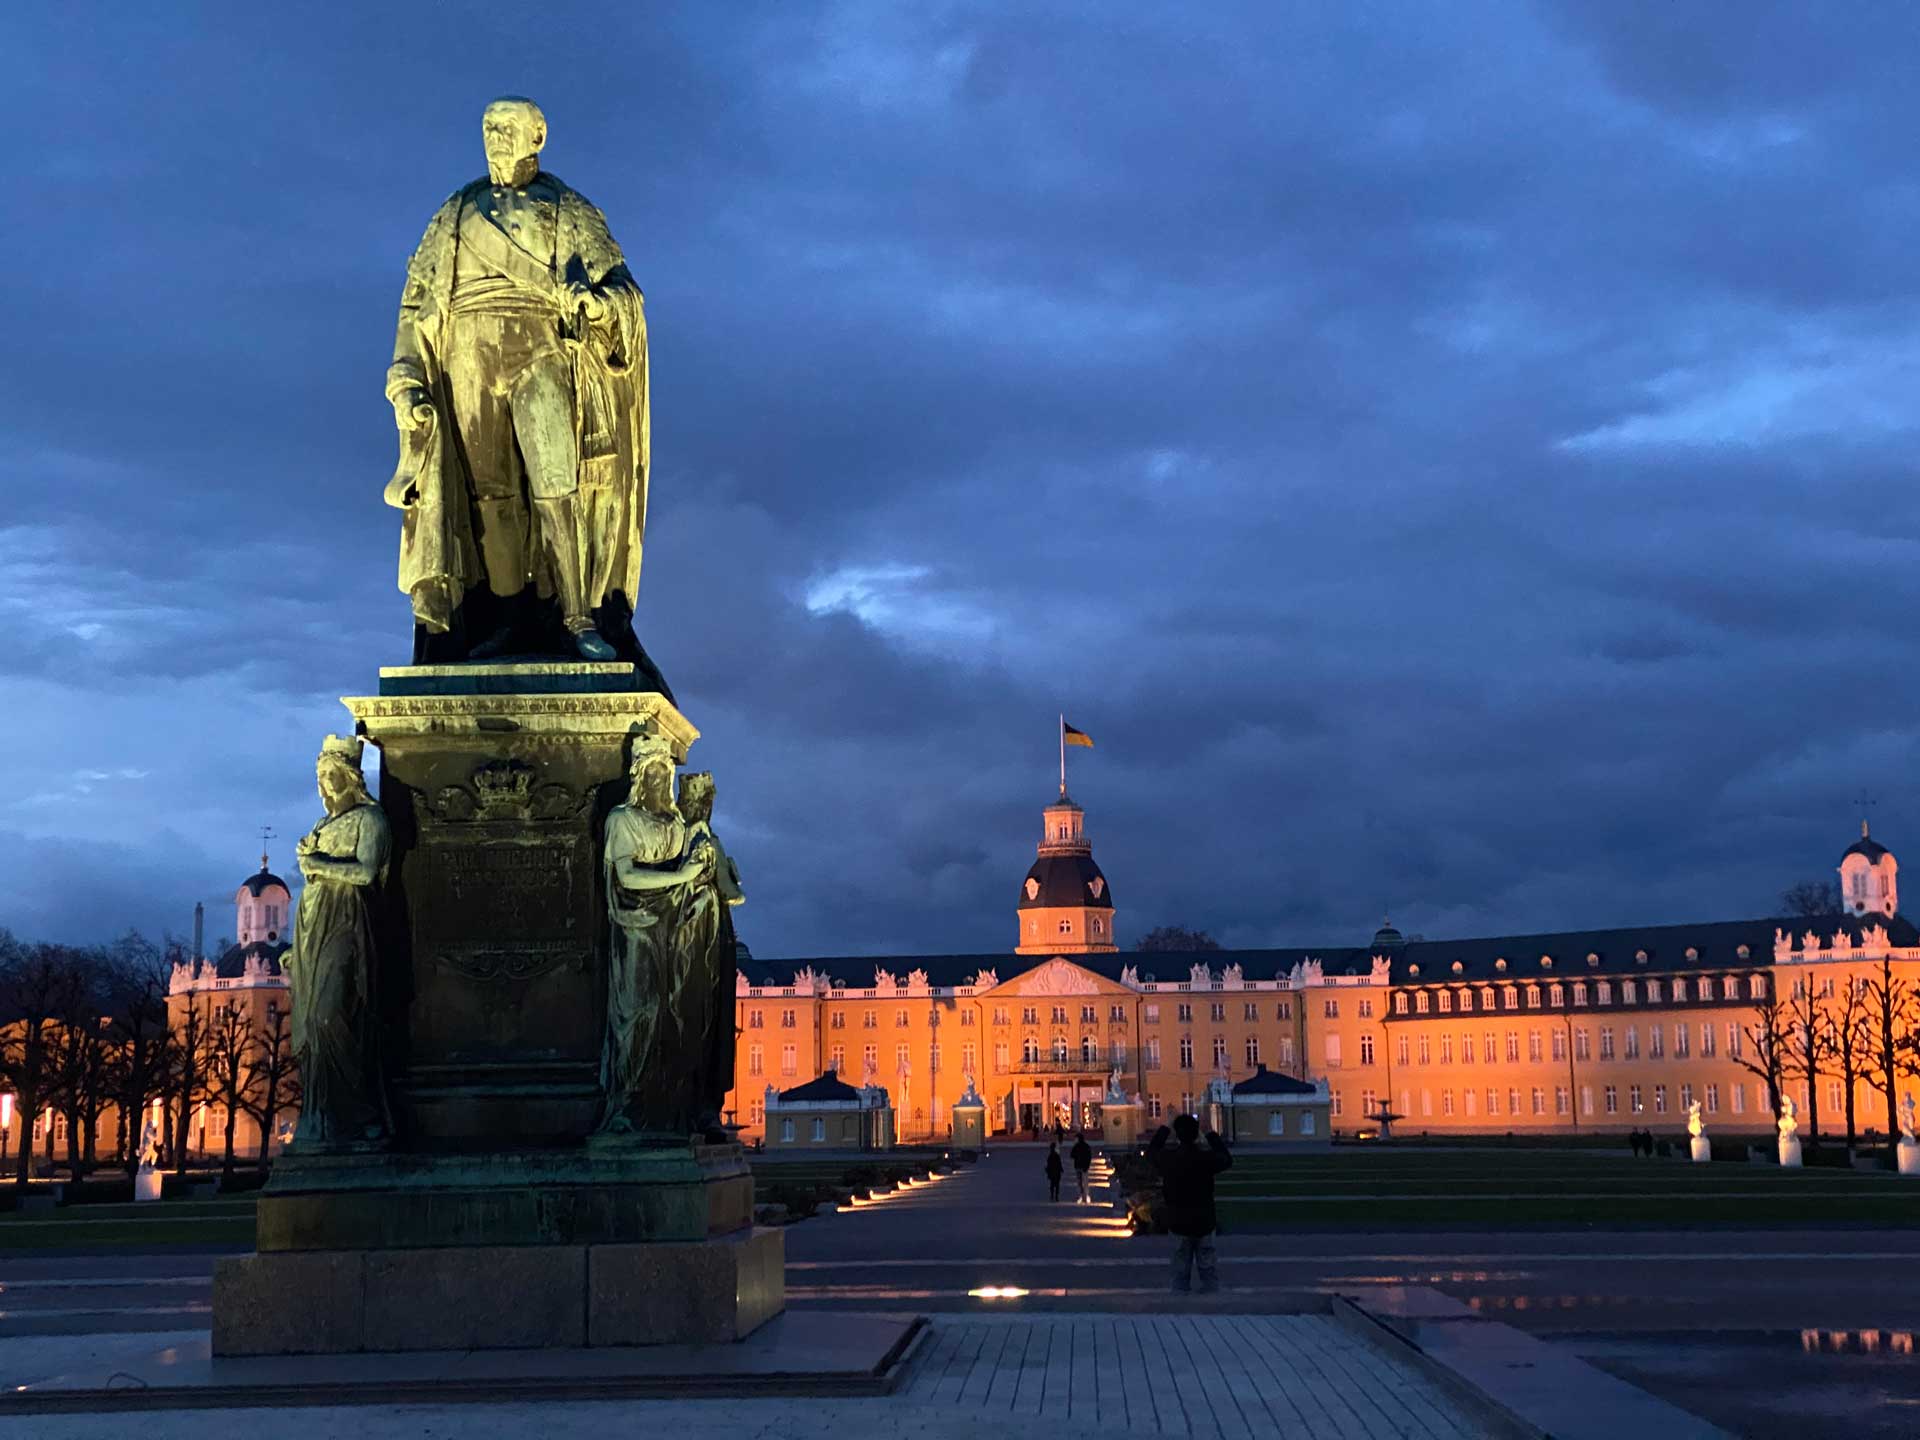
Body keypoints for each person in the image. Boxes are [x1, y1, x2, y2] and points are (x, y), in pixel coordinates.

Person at [1148, 1115, 1233, 1294]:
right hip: (1204, 1221)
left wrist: (1165, 1128)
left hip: (1178, 1222)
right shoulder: (1205, 1158)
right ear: (1196, 1135)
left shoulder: (1169, 1159)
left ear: (1177, 1135)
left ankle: (1181, 1312)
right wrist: (1210, 1133)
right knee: (1209, 1274)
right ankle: (1212, 1312)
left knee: (1179, 1275)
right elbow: (1227, 1159)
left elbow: (1151, 1153)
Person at [1071, 1132, 1094, 1204]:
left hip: (1079, 1166)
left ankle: (1083, 1196)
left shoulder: (1076, 1146)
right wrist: (1087, 1165)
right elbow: (1089, 1156)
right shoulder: (1086, 1146)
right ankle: (1085, 1196)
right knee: (1084, 1182)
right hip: (1084, 1166)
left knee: (1080, 1182)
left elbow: (1072, 1155)